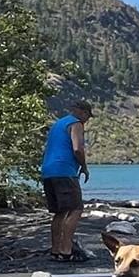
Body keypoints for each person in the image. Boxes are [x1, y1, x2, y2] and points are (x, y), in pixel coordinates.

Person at [41, 101, 92, 262]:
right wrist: (83, 166)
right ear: (81, 112)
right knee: (76, 209)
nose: (86, 120)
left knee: (60, 212)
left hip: (49, 171)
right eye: (87, 116)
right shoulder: (75, 124)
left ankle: (55, 250)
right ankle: (66, 250)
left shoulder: (58, 124)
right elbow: (77, 148)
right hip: (64, 171)